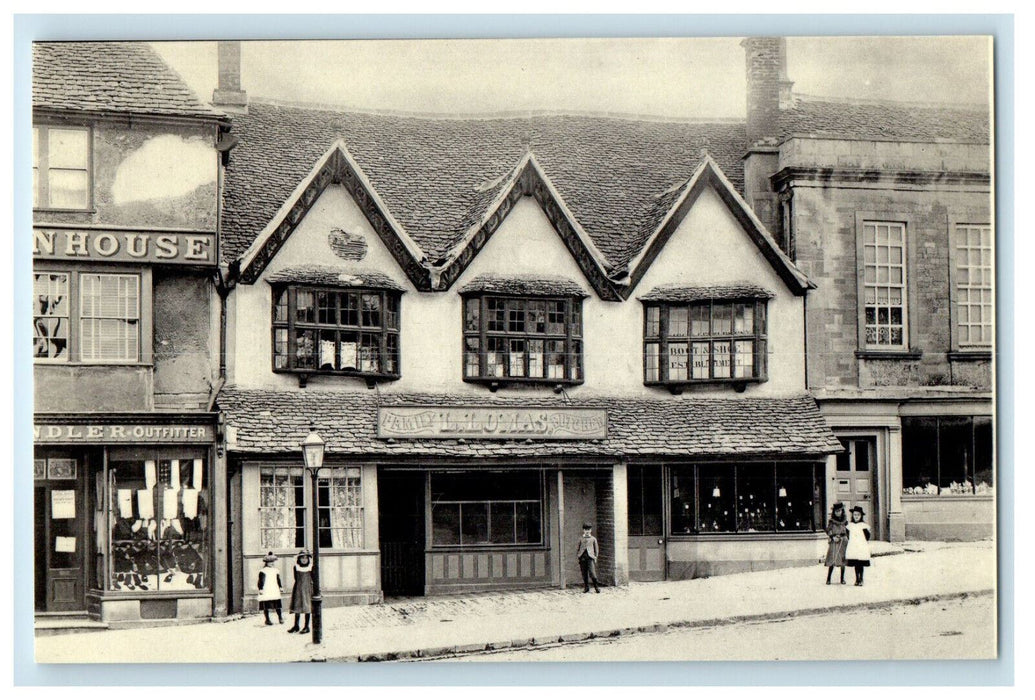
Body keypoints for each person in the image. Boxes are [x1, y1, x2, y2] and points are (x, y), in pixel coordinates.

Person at [287, 549, 313, 634]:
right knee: (297, 606)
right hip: (298, 589)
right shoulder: (296, 567)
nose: (304, 559)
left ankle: (306, 626)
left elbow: (313, 578)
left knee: (307, 607)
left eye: (306, 558)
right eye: (302, 558)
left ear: (308, 559)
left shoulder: (311, 567)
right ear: (299, 559)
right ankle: (296, 625)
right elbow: (296, 578)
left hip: (307, 589)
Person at [845, 505, 872, 586]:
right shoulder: (850, 526)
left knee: (861, 563)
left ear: (861, 516)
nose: (856, 517)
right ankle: (857, 579)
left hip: (861, 546)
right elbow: (848, 535)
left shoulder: (863, 526)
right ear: (853, 516)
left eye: (858, 515)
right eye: (855, 515)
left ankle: (861, 579)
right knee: (856, 563)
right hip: (853, 546)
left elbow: (867, 537)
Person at [824, 502, 848, 585]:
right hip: (834, 541)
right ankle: (828, 578)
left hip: (843, 541)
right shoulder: (832, 522)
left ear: (842, 511)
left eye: (839, 511)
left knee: (842, 560)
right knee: (832, 559)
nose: (838, 513)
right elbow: (828, 530)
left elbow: (848, 530)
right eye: (836, 511)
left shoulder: (845, 521)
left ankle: (842, 578)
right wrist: (832, 537)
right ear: (834, 512)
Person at [257, 552, 284, 625]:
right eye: (269, 562)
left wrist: (280, 587)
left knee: (277, 604)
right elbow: (260, 581)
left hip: (274, 587)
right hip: (267, 588)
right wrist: (261, 588)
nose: (271, 563)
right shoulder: (263, 571)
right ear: (266, 563)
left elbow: (278, 579)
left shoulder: (276, 570)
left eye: (272, 562)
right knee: (266, 604)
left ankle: (280, 617)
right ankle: (267, 619)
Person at [575, 522, 600, 593]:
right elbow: (578, 548)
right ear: (583, 530)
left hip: (590, 558)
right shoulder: (581, 539)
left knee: (592, 573)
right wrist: (578, 555)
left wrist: (595, 557)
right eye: (586, 530)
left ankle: (596, 587)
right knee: (584, 573)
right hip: (582, 557)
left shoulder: (593, 539)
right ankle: (586, 587)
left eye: (588, 530)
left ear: (591, 530)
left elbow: (596, 549)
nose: (587, 531)